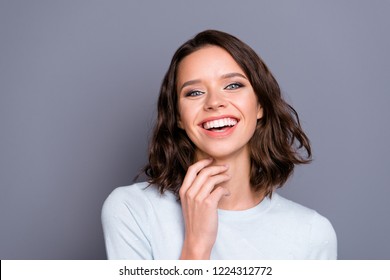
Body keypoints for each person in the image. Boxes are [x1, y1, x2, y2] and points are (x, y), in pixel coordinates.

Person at [101, 30, 337, 260]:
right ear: (179, 118)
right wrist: (197, 245)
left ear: (260, 105)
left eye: (233, 86)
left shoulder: (311, 233)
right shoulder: (132, 210)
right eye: (194, 92)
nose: (214, 102)